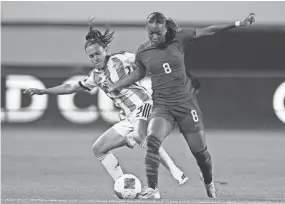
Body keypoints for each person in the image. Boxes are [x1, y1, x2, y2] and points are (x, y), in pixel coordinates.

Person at [108, 12, 255, 199]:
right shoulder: (143, 51)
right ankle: (152, 188)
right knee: (152, 141)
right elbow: (139, 73)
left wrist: (237, 23)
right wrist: (118, 85)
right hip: (163, 106)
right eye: (150, 33)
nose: (154, 37)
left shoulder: (180, 39)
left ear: (166, 29)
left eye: (158, 33)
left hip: (186, 106)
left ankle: (208, 181)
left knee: (200, 154)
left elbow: (208, 31)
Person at [24, 20, 189, 187]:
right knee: (98, 149)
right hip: (128, 117)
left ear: (105, 49)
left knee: (140, 135)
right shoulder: (95, 77)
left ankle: (175, 170)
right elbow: (70, 87)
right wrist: (44, 91)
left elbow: (144, 60)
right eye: (91, 56)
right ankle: (124, 185)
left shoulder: (120, 59)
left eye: (98, 53)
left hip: (143, 104)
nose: (95, 58)